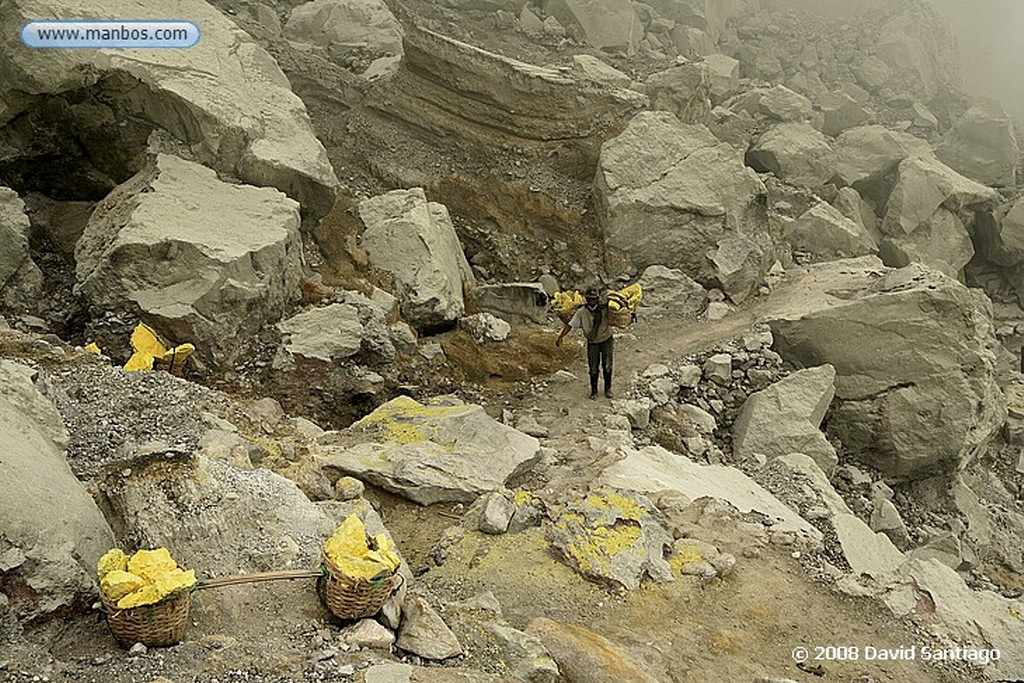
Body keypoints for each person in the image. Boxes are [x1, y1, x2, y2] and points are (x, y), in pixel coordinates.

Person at [555, 287, 614, 399]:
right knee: (593, 368)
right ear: (586, 299)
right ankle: (594, 391)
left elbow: (618, 315)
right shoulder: (582, 312)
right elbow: (570, 325)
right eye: (589, 299)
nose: (592, 302)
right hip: (592, 342)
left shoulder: (605, 308)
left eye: (594, 299)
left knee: (607, 365)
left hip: (606, 339)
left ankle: (608, 389)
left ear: (597, 299)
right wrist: (561, 336)